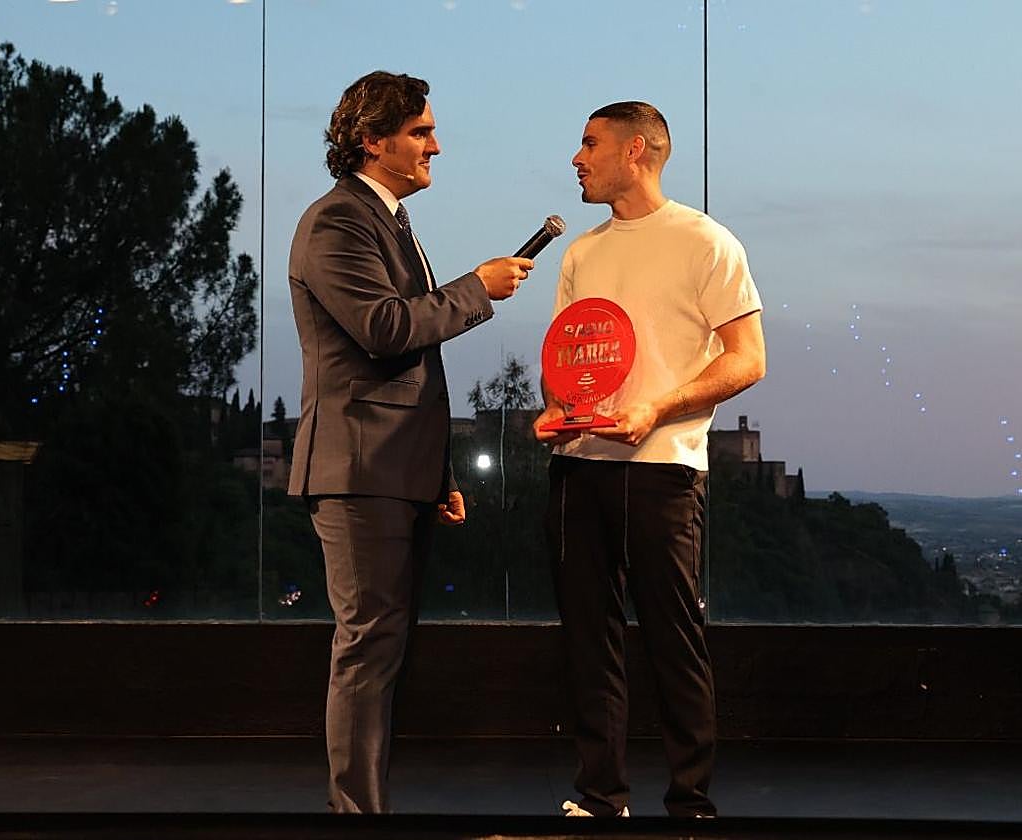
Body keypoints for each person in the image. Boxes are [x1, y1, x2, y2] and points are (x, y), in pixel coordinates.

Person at [288, 70, 532, 814]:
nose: (437, 146)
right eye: (421, 133)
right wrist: (478, 287)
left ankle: (364, 808)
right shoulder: (337, 222)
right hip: (360, 472)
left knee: (381, 647)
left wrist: (438, 473)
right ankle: (356, 816)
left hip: (395, 472)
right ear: (373, 141)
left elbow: (411, 374)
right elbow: (387, 332)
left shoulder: (386, 221)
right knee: (367, 648)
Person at [533, 101, 766, 818]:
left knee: (674, 639)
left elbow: (748, 360)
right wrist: (558, 411)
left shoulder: (705, 242)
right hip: (579, 465)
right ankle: (600, 794)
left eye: (589, 143)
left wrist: (656, 409)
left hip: (664, 468)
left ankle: (690, 801)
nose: (576, 157)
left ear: (636, 151)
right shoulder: (581, 253)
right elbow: (570, 363)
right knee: (587, 641)